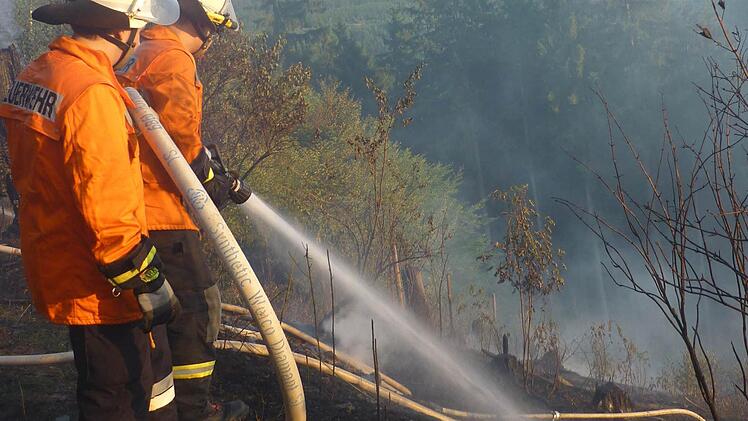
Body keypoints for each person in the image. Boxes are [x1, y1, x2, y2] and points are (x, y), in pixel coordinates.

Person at [0, 1, 182, 419]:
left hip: (58, 258)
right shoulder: (92, 94)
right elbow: (109, 211)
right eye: (139, 30)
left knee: (103, 379)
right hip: (100, 284)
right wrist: (149, 280)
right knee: (116, 394)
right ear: (121, 30)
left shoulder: (40, 72)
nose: (139, 41)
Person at [118, 1, 251, 420]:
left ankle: (161, 406)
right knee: (197, 309)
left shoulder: (143, 49)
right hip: (162, 210)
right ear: (206, 25)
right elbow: (180, 145)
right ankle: (194, 412)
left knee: (155, 318)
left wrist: (209, 168)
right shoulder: (175, 59)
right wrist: (212, 183)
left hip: (132, 205)